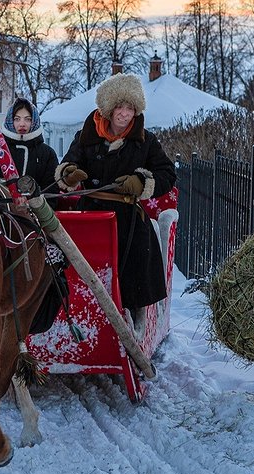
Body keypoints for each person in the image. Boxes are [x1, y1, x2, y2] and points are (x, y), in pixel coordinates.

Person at [56, 73, 176, 314]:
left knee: (135, 262)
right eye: (119, 107)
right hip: (91, 214)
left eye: (130, 108)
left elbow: (167, 173)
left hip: (129, 218)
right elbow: (69, 163)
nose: (124, 113)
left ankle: (133, 312)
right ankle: (79, 309)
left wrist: (141, 183)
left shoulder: (146, 141)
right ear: (109, 109)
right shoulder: (87, 136)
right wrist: (69, 174)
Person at [0, 97, 60, 203]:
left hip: (37, 216)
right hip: (0, 214)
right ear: (10, 120)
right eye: (17, 119)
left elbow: (52, 190)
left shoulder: (47, 154)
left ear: (34, 121)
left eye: (27, 119)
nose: (22, 124)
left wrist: (35, 201)